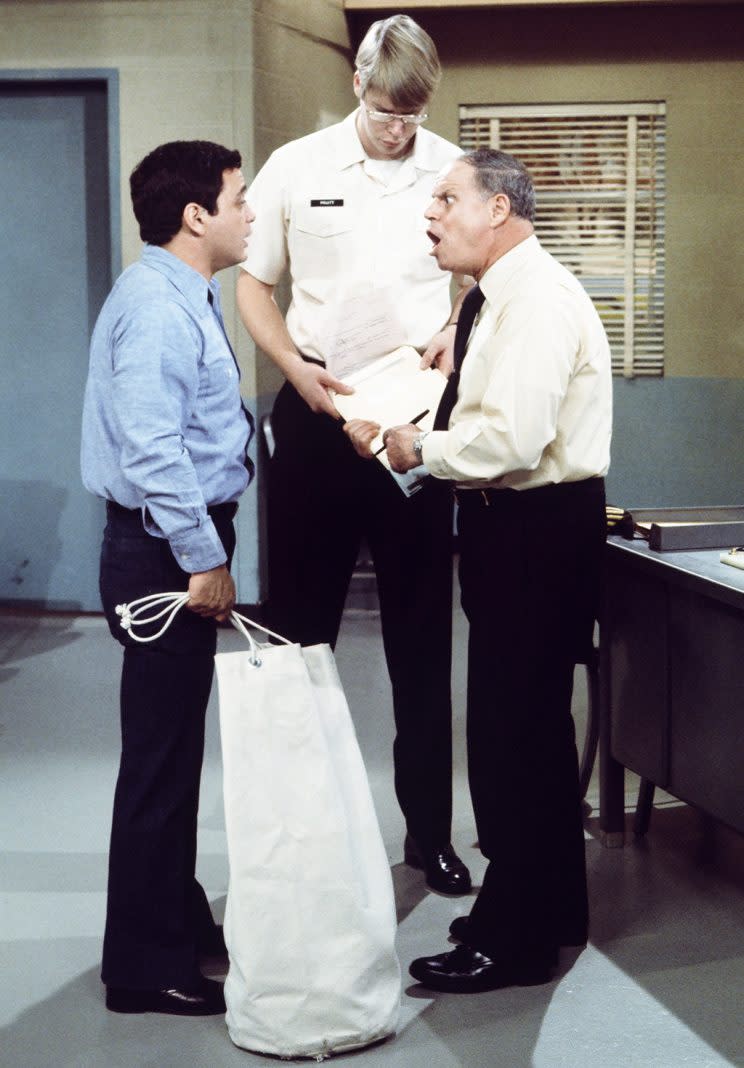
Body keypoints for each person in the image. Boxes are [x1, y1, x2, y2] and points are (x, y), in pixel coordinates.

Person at [236, 14, 471, 895]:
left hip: (409, 419)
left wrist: (450, 332)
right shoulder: (297, 165)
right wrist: (292, 368)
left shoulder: (449, 169)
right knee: (304, 640)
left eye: (410, 114)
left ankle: (430, 839)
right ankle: (305, 840)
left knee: (420, 643)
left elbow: (477, 274)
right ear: (358, 87)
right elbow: (255, 284)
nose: (396, 128)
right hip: (317, 414)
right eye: (383, 111)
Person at [384, 148, 612, 992]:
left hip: (532, 529)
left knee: (513, 738)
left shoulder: (539, 301)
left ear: (500, 211)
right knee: (531, 734)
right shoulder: (492, 298)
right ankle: (545, 910)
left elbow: (512, 442)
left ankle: (511, 942)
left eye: (448, 198)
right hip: (512, 529)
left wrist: (420, 447)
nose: (431, 214)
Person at [81, 140, 256, 1015]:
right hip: (164, 549)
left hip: (169, 542)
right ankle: (144, 966)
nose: (251, 212)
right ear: (197, 216)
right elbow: (155, 449)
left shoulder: (183, 292)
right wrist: (206, 559)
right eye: (240, 197)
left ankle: (172, 919)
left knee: (173, 753)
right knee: (159, 762)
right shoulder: (156, 306)